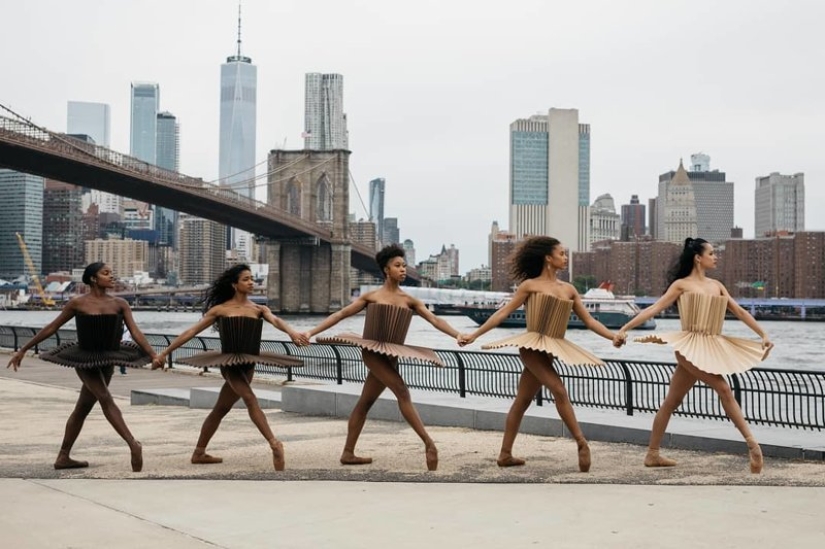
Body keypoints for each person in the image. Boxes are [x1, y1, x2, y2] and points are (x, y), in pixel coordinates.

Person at [613, 237, 773, 474]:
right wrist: (624, 328)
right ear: (699, 258)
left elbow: (738, 310)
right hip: (689, 347)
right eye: (711, 253)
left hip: (712, 345)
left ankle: (652, 454)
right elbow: (653, 308)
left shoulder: (717, 285)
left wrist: (763, 334)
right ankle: (752, 445)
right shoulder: (681, 285)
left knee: (672, 402)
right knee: (724, 389)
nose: (715, 256)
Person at [458, 236, 618, 472]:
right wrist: (475, 335)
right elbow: (502, 314)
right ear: (548, 258)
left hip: (553, 347)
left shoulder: (569, 290)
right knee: (559, 389)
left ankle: (505, 454)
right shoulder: (530, 286)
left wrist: (612, 336)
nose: (565, 258)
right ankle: (581, 442)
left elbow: (590, 321)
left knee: (522, 401)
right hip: (532, 347)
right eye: (561, 253)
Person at [302, 244, 461, 471]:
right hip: (372, 352)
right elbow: (341, 314)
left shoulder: (410, 300)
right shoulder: (372, 297)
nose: (403, 269)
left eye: (404, 265)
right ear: (386, 270)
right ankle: (429, 443)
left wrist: (458, 335)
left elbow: (435, 320)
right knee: (402, 392)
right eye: (397, 266)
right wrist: (310, 332)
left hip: (392, 354)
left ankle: (348, 453)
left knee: (365, 403)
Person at [151, 264, 306, 471]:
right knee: (250, 398)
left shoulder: (259, 309)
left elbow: (277, 321)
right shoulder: (221, 310)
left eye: (252, 279)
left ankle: (199, 452)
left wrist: (293, 333)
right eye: (246, 279)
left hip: (249, 363)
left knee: (221, 409)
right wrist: (164, 353)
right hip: (229, 363)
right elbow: (191, 332)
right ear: (234, 284)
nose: (251, 282)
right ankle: (274, 443)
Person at [6, 262, 155, 472]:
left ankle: (63, 456)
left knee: (82, 409)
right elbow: (52, 327)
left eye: (112, 273)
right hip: (84, 360)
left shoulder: (120, 304)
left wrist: (153, 354)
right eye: (106, 273)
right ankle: (133, 444)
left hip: (108, 359)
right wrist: (23, 349)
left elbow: (136, 332)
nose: (112, 276)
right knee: (105, 398)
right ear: (93, 278)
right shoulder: (78, 303)